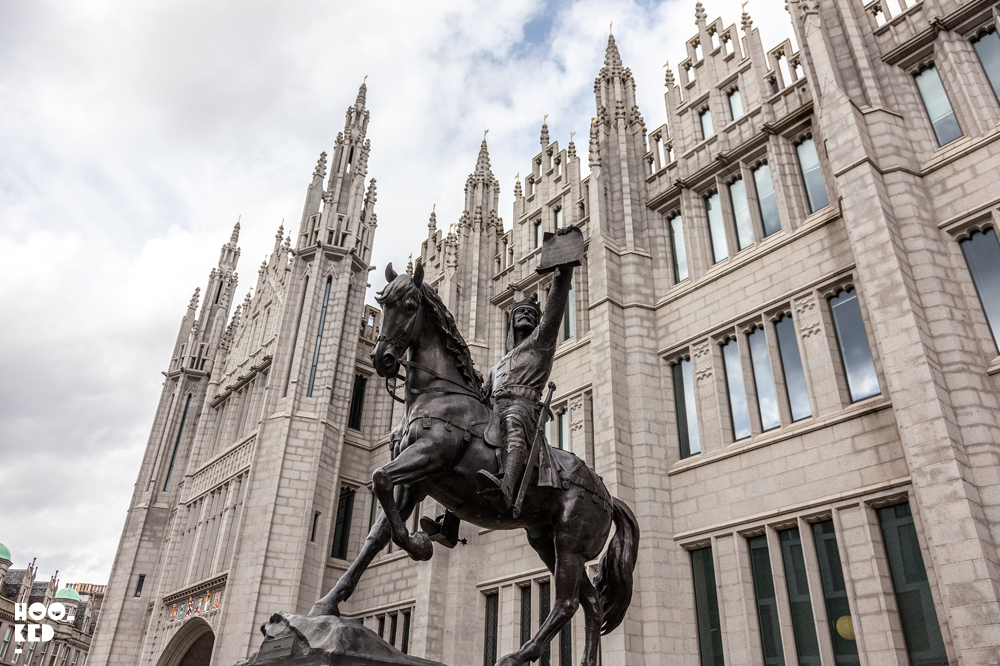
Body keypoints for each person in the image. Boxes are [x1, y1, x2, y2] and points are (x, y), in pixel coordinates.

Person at [477, 227, 578, 510]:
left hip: (522, 410)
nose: (524, 314)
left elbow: (555, 310)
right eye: (519, 312)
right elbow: (482, 395)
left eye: (530, 314)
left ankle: (506, 489)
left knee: (513, 421)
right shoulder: (498, 365)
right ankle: (450, 519)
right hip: (495, 410)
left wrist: (562, 272)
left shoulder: (540, 344)